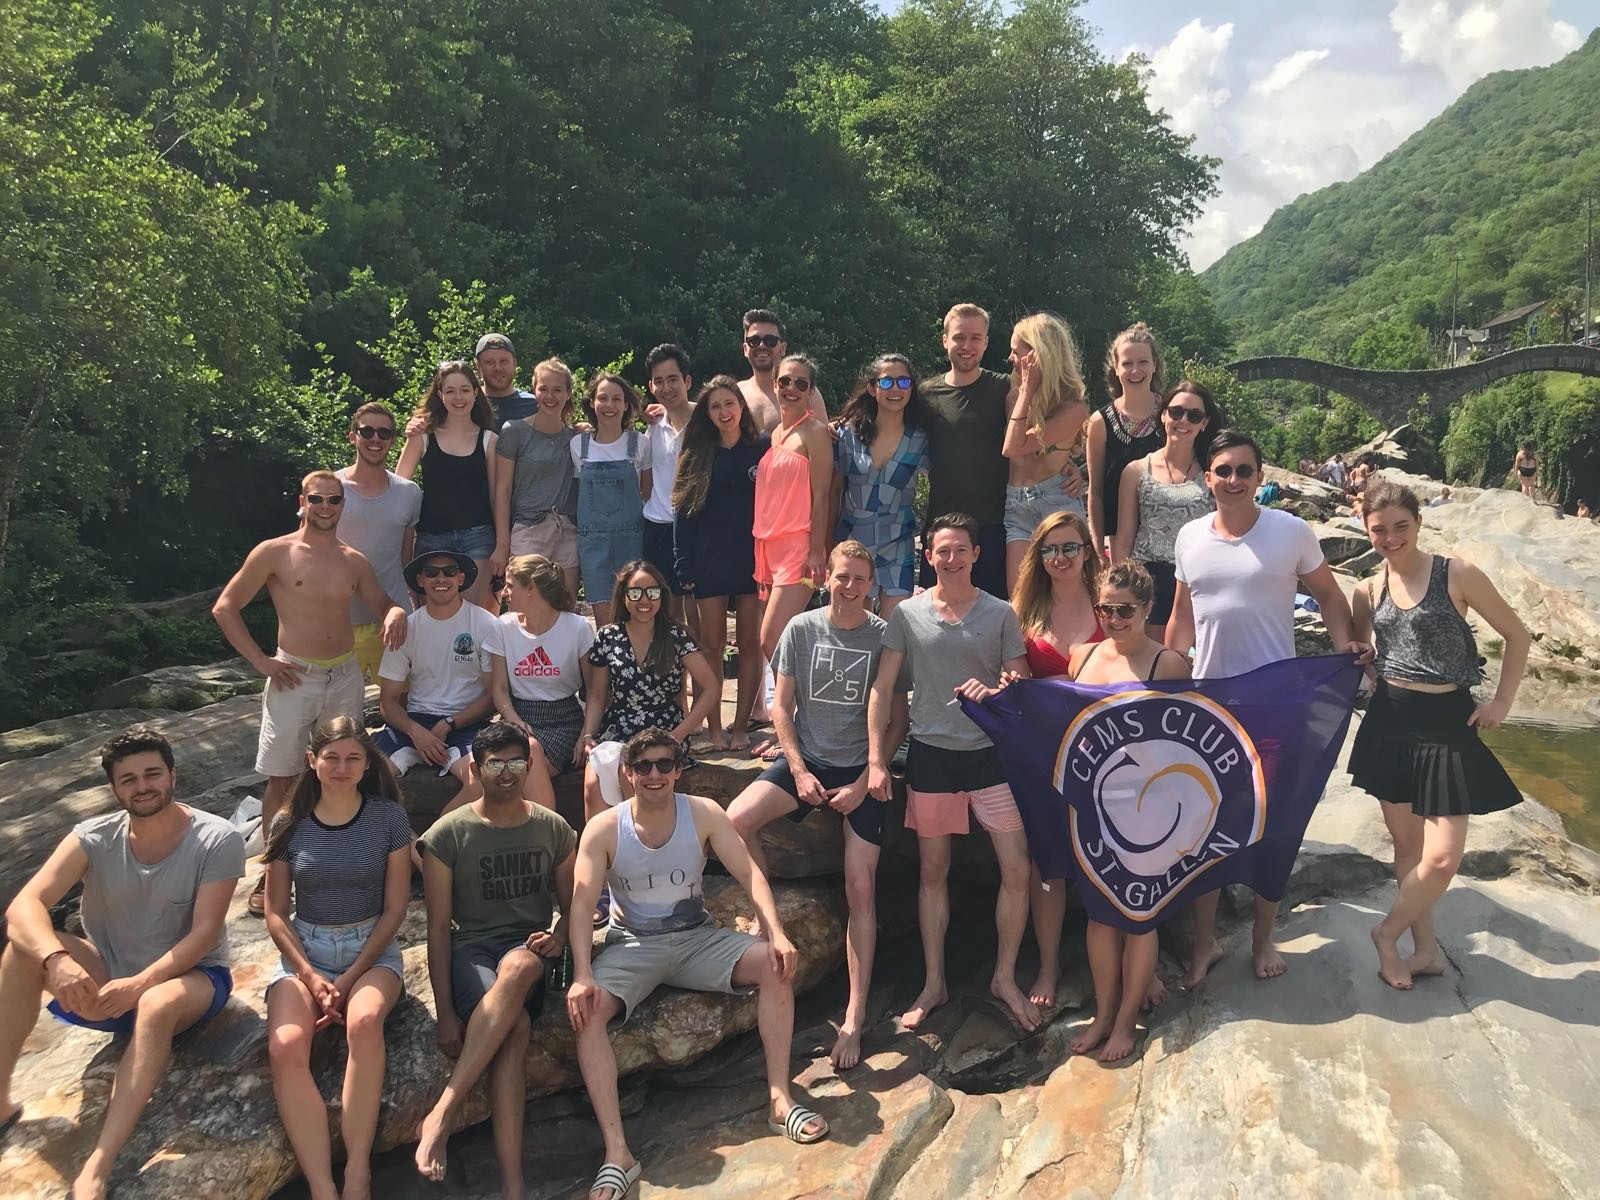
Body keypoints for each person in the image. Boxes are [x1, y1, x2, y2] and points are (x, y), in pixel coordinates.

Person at [567, 728, 828, 1200]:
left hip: (697, 939)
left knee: (774, 965)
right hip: (632, 946)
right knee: (587, 1012)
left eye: (664, 765)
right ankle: (617, 1153)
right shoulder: (604, 828)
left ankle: (779, 1098)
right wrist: (583, 973)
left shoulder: (704, 814)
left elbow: (748, 871)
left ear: (678, 770)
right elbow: (583, 904)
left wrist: (775, 931)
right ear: (626, 774)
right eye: (643, 766)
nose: (654, 775)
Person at [0, 727, 244, 1200]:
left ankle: (98, 1164)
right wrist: (56, 959)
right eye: (128, 779)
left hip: (191, 982)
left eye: (152, 773)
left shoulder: (217, 837)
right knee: (21, 950)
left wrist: (141, 983)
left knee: (154, 1001)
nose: (142, 786)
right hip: (109, 978)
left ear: (172, 775)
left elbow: (204, 933)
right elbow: (23, 906)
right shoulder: (93, 837)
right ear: (114, 788)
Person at [1166, 430, 1372, 985]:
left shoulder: (1291, 531)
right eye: (1223, 471)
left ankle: (1263, 939)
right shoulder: (1189, 537)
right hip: (1210, 702)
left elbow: (1329, 595)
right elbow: (1183, 615)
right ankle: (1205, 942)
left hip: (1277, 700)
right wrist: (1163, 672)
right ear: (1206, 477)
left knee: (1273, 822)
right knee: (1203, 823)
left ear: (1260, 477)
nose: (1233, 480)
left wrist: (1342, 648)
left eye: (1244, 471)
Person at [727, 542, 908, 1070]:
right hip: (808, 761)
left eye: (860, 579)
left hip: (860, 770)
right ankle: (768, 925)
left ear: (872, 584)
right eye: (842, 577)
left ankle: (853, 1015)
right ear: (825, 578)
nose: (850, 587)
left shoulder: (883, 636)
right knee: (735, 819)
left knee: (860, 886)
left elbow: (898, 721)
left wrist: (864, 779)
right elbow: (780, 707)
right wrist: (799, 769)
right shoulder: (801, 629)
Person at [1348, 480, 1531, 990]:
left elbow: (1517, 635)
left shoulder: (1458, 574)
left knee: (1444, 858)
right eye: (1379, 530)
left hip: (1448, 724)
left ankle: (1386, 934)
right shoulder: (1369, 588)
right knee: (1407, 847)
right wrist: (1364, 663)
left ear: (1418, 523)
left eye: (1400, 527)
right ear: (1367, 530)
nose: (1390, 538)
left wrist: (1501, 703)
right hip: (1390, 721)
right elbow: (1362, 648)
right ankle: (1425, 950)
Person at [866, 512, 1037, 1031]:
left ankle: (1005, 977)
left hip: (991, 755)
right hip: (932, 754)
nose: (952, 558)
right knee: (932, 871)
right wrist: (876, 759)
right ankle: (934, 982)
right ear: (929, 555)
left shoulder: (1002, 612)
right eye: (943, 550)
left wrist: (999, 689)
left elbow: (1021, 684)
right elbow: (884, 688)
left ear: (976, 555)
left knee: (1016, 867)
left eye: (961, 549)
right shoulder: (908, 615)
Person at [213, 469, 405, 916]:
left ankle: (337, 862)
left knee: (344, 769)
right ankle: (272, 868)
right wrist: (260, 661)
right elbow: (225, 607)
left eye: (334, 501)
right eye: (317, 499)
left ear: (343, 505)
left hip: (343, 675)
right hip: (292, 674)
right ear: (301, 501)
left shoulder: (351, 560)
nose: (325, 508)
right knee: (282, 776)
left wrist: (394, 614)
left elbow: (383, 603)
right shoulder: (275, 552)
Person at [414, 723, 577, 1197]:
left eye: (517, 762)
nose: (508, 773)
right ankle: (513, 1186)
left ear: (531, 765)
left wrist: (560, 935)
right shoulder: (448, 834)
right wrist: (446, 1014)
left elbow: (573, 908)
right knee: (516, 1029)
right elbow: (439, 928)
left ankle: (442, 1114)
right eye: (495, 764)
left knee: (523, 965)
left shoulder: (552, 826)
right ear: (475, 768)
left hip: (530, 948)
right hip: (473, 951)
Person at [263, 718, 412, 1200]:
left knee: (364, 1024)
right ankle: (323, 1186)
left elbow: (395, 909)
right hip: (305, 951)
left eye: (353, 758)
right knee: (286, 1047)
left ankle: (358, 1171)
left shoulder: (389, 818)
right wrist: (309, 975)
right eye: (332, 757)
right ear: (312, 761)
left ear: (367, 763)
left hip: (371, 950)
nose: (342, 767)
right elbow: (275, 913)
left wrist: (347, 979)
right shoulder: (290, 821)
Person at [1064, 563, 1189, 1062]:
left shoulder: (1168, 665)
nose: (1114, 618)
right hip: (1093, 809)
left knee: (1139, 918)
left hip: (1151, 814)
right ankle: (1103, 1014)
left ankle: (1127, 1022)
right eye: (1106, 609)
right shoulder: (1082, 656)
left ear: (1147, 610)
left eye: (1125, 610)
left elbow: (1189, 740)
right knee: (1099, 919)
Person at [1008, 509, 1101, 1010]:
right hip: (1044, 750)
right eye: (1050, 549)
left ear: (1087, 551)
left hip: (1107, 752)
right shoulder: (1023, 611)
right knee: (1050, 862)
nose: (1061, 557)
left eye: (1070, 547)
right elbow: (1015, 677)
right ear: (1038, 557)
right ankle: (1048, 964)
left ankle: (1135, 957)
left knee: (1113, 852)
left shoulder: (1109, 604)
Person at [579, 562, 720, 829]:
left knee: (629, 772)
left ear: (662, 596)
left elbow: (711, 688)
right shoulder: (608, 636)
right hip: (618, 725)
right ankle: (602, 855)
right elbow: (596, 696)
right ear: (623, 596)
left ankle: (642, 846)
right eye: (635, 593)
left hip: (664, 728)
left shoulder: (676, 635)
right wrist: (588, 735)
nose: (644, 600)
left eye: (652, 593)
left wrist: (679, 734)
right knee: (591, 781)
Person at [672, 376, 768, 750]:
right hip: (708, 559)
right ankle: (712, 728)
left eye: (730, 404)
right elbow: (681, 512)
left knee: (749, 643)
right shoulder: (696, 453)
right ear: (707, 413)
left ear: (741, 407)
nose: (724, 412)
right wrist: (683, 564)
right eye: (715, 406)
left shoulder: (761, 449)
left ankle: (741, 725)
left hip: (752, 559)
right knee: (709, 646)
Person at [375, 551, 497, 787]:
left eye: (449, 572)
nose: (441, 579)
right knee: (369, 783)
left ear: (461, 578)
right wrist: (415, 731)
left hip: (467, 724)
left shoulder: (486, 624)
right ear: (420, 581)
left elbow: (494, 697)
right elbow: (387, 702)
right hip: (414, 722)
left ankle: (438, 827)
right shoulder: (406, 628)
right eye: (431, 573)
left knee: (481, 784)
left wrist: (450, 722)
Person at [1112, 379, 1222, 637]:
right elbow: (1125, 535)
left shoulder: (1214, 472)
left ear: (1204, 423)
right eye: (1176, 412)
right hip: (1148, 581)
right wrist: (1120, 590)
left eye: (1194, 415)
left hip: (1198, 579)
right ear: (1163, 415)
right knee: (1153, 665)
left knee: (1188, 666)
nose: (1183, 420)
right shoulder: (1135, 471)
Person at [920, 303, 1013, 598]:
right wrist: (841, 429)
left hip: (993, 528)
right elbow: (886, 423)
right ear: (945, 339)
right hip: (941, 530)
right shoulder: (925, 394)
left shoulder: (1006, 389)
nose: (967, 346)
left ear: (986, 342)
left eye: (975, 338)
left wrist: (1066, 461)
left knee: (993, 618)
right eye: (959, 337)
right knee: (934, 617)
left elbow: (1037, 432)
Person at [397, 360, 504, 609]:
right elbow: (399, 489)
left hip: (478, 538)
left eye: (465, 390)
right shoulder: (422, 436)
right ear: (440, 395)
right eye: (450, 391)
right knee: (433, 620)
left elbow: (498, 497)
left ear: (476, 393)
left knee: (471, 618)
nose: (458, 397)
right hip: (431, 538)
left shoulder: (489, 440)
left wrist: (501, 544)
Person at [832, 353, 932, 618]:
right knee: (854, 629)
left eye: (903, 382)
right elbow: (833, 491)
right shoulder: (847, 435)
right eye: (887, 382)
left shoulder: (922, 439)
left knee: (895, 631)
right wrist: (824, 543)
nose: (896, 389)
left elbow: (945, 483)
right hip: (852, 543)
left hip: (898, 543)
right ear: (872, 387)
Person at [485, 553, 596, 782]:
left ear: (531, 589)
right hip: (517, 715)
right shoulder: (503, 627)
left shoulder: (578, 628)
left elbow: (595, 691)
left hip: (563, 718)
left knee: (525, 764)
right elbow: (499, 688)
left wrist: (586, 735)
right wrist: (514, 720)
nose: (504, 592)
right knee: (491, 768)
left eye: (509, 586)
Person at [1001, 312, 1091, 593]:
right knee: (1019, 600)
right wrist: (1025, 393)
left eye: (1016, 351)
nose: (1010, 358)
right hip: (1017, 504)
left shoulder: (1074, 408)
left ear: (1038, 355)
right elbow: (1017, 452)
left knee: (1066, 594)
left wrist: (1027, 390)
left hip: (1056, 500)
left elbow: (1012, 447)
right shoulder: (1014, 398)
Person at [754, 354, 833, 662]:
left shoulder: (815, 432)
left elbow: (822, 494)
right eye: (785, 381)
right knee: (783, 643)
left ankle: (798, 706)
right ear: (775, 384)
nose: (792, 388)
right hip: (767, 548)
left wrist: (816, 551)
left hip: (799, 550)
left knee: (770, 638)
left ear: (811, 391)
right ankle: (787, 709)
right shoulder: (775, 434)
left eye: (801, 383)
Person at [336, 402, 422, 684]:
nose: (375, 439)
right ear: (353, 436)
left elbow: (406, 558)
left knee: (403, 707)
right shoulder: (330, 489)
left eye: (384, 433)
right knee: (339, 720)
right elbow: (305, 551)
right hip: (339, 621)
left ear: (393, 441)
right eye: (367, 431)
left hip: (394, 620)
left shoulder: (409, 493)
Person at [494, 357, 581, 602]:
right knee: (525, 605)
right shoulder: (515, 431)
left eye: (557, 390)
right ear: (534, 390)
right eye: (543, 389)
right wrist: (502, 544)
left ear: (568, 393)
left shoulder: (575, 437)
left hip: (566, 531)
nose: (550, 396)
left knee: (565, 607)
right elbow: (502, 490)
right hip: (527, 530)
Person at [572, 372, 652, 627]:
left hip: (632, 540)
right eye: (603, 398)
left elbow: (647, 494)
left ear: (627, 404)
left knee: (636, 615)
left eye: (617, 399)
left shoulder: (640, 443)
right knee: (605, 625)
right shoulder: (577, 446)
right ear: (592, 403)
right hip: (592, 542)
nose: (609, 405)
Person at [1085, 323, 1165, 557]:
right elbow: (1096, 491)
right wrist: (1098, 550)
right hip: (1120, 545)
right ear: (1116, 369)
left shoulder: (1172, 415)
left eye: (1143, 362)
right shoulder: (1100, 422)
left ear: (1154, 366)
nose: (1135, 371)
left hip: (1168, 538)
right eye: (1127, 364)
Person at [641, 344, 696, 627]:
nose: (666, 387)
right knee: (665, 616)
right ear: (651, 386)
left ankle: (703, 673)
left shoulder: (706, 421)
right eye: (659, 381)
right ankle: (672, 673)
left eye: (673, 379)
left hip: (697, 527)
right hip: (657, 526)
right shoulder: (652, 424)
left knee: (698, 617)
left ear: (687, 380)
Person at [737, 308, 827, 432]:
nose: (762, 346)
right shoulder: (736, 394)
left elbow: (824, 441)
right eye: (754, 341)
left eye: (770, 341)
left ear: (783, 348)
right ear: (745, 349)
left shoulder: (803, 392)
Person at [475, 332, 539, 425]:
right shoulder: (470, 405)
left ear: (514, 363)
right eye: (489, 362)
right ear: (478, 366)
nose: (498, 368)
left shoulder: (534, 406)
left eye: (504, 361)